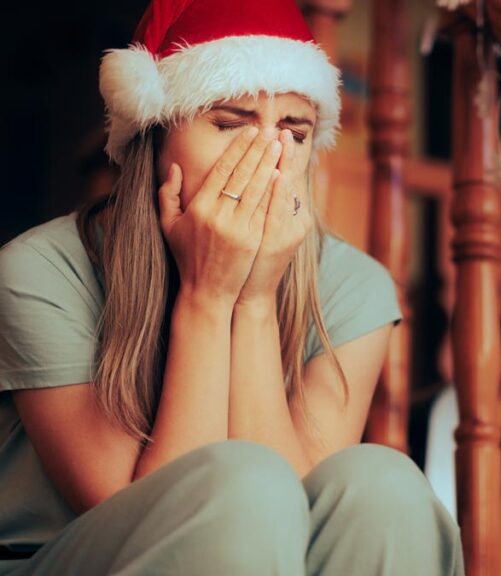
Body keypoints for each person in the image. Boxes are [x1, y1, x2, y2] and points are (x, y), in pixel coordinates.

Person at [0, 0, 465, 574]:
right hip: (83, 555)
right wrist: (208, 295)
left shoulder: (354, 285)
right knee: (243, 483)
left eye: (293, 133)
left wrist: (254, 300)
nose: (268, 159)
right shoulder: (36, 272)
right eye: (229, 124)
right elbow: (163, 523)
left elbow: (297, 523)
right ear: (155, 136)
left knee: (386, 483)